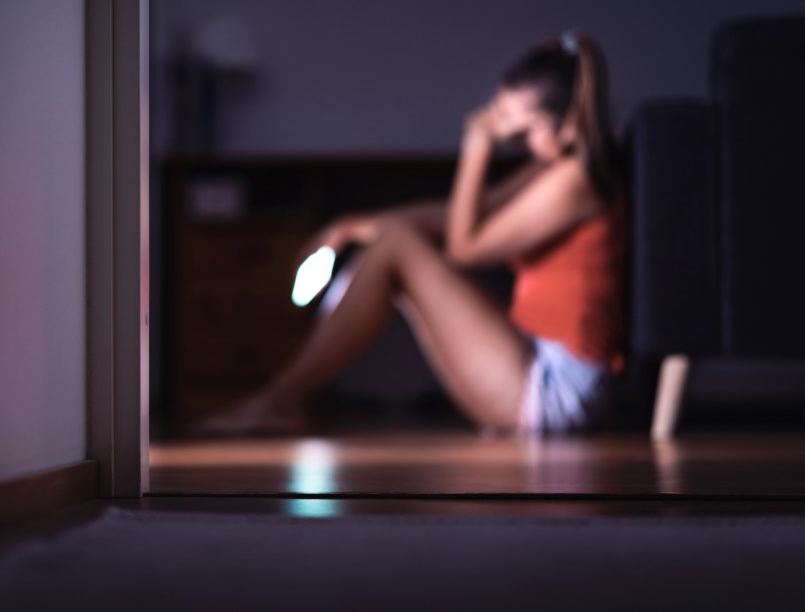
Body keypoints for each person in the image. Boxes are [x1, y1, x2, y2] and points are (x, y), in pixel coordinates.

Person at [194, 30, 629, 438]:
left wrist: (476, 146)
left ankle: (280, 399)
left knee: (400, 246)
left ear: (567, 123)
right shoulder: (555, 168)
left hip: (556, 393)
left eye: (523, 132)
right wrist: (347, 228)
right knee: (397, 245)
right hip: (535, 361)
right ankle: (283, 398)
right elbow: (456, 215)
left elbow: (463, 246)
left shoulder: (579, 180)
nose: (516, 143)